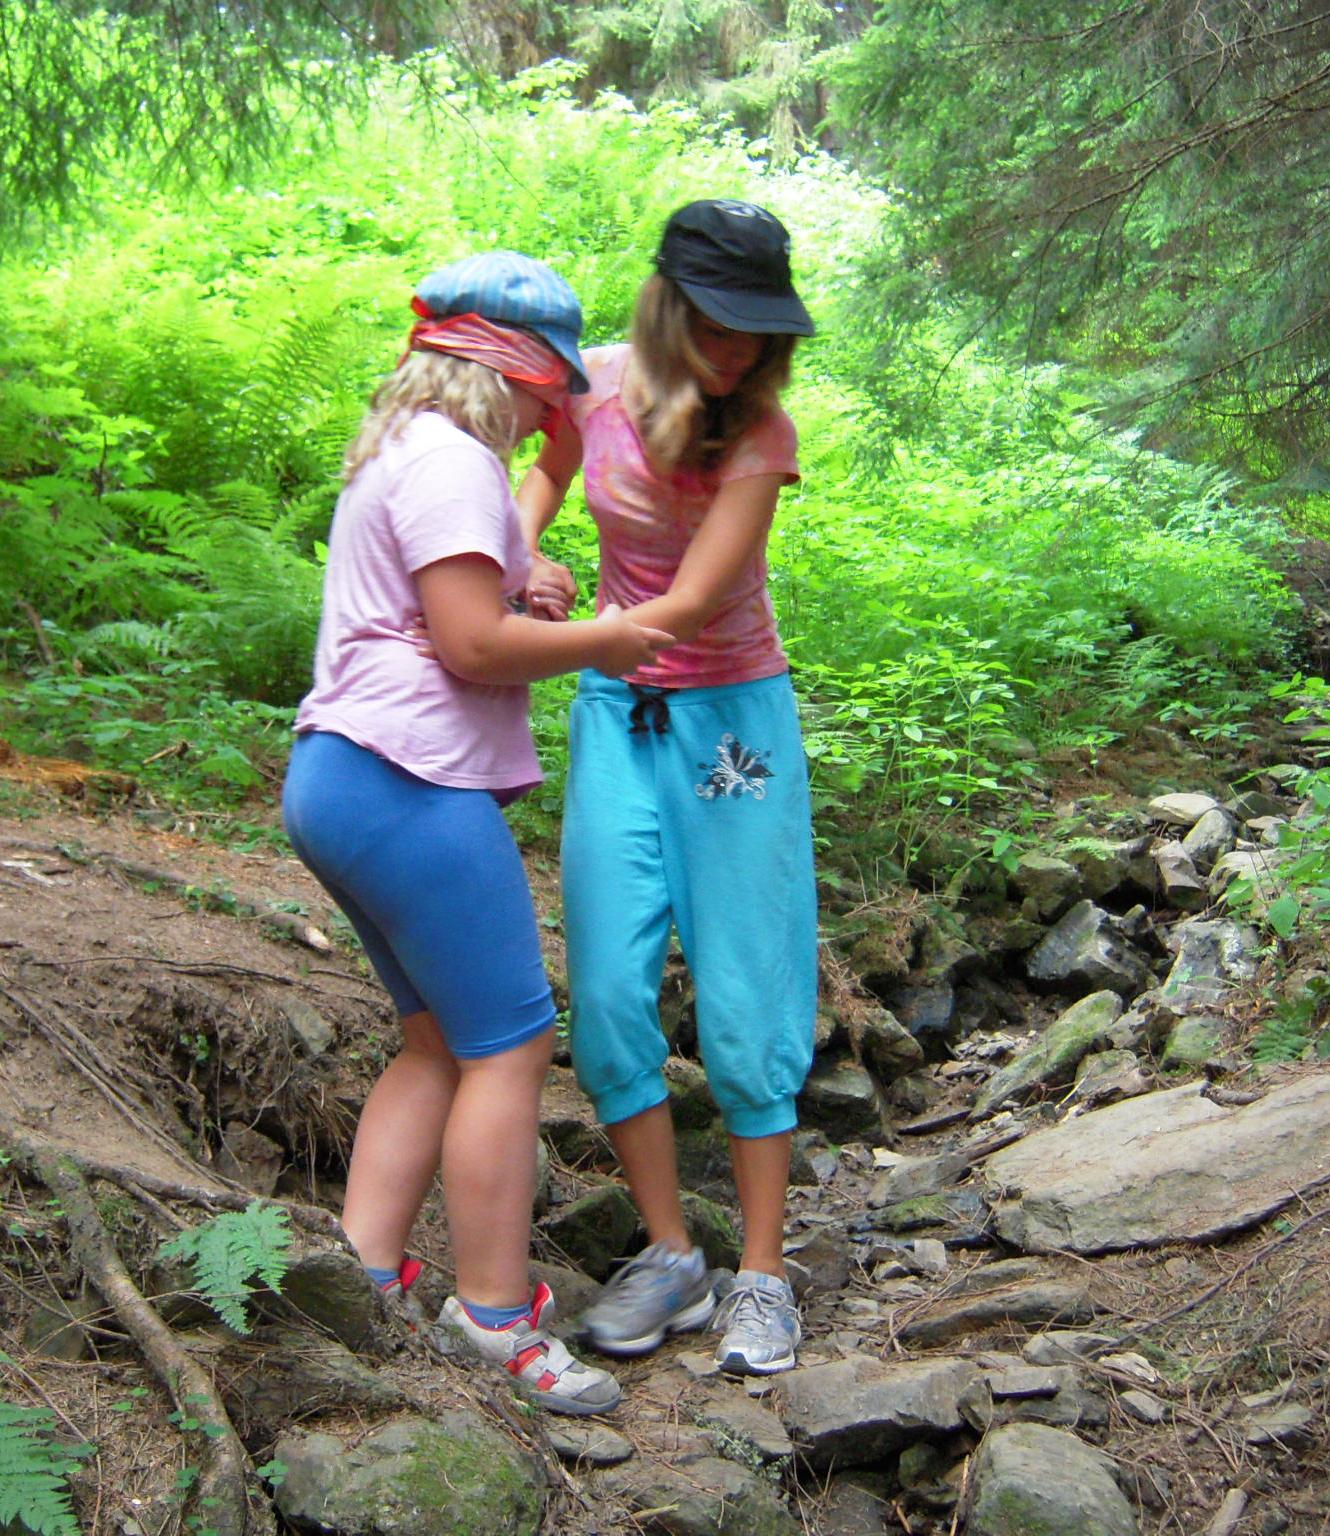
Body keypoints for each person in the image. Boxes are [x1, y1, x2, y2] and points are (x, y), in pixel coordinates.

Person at [281, 251, 672, 1416]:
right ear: (515, 375)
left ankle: (363, 1273)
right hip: (406, 780)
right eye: (554, 396)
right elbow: (470, 646)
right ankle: (495, 1316)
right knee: (510, 1044)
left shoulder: (412, 447)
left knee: (437, 1044)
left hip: (340, 778)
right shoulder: (453, 464)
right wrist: (609, 639)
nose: (560, 417)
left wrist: (526, 565)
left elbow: (460, 599)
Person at [517, 199, 818, 1376]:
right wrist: (518, 550)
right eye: (716, 324)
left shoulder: (759, 436)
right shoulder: (590, 386)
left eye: (757, 330)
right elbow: (545, 470)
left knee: (747, 985)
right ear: (666, 306)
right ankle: (671, 1254)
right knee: (603, 990)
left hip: (732, 727)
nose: (738, 350)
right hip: (616, 717)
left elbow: (689, 606)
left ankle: (764, 1275)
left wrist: (521, 643)